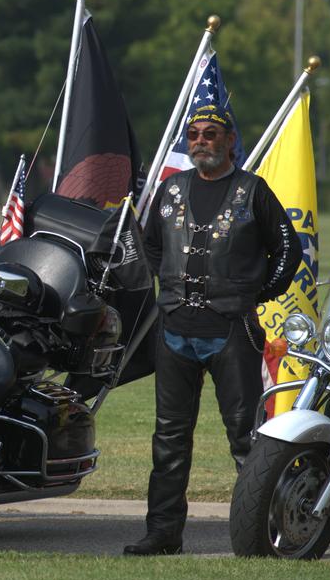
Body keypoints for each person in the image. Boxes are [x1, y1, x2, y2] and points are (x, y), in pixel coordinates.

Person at [123, 105, 299, 556]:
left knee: (246, 438)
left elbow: (288, 251)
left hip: (232, 331)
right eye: (194, 135)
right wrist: (166, 288)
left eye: (210, 134)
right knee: (169, 440)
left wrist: (255, 292)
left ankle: (265, 532)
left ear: (229, 140)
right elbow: (149, 246)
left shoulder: (253, 191)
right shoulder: (170, 189)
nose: (201, 141)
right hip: (174, 332)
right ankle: (162, 534)